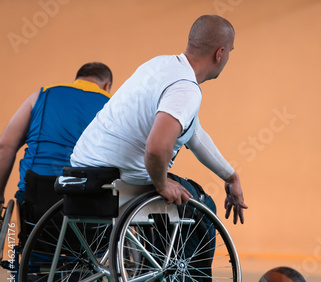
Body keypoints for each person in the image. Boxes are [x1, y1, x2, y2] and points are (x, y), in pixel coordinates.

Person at [71, 15, 247, 224]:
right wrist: (162, 184)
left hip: (82, 169)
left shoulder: (159, 66)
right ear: (220, 53)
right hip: (117, 179)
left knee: (168, 188)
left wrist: (230, 176)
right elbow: (156, 148)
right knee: (201, 205)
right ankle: (174, 258)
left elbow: (195, 135)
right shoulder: (185, 88)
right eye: (230, 51)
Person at [0, 62, 113, 233]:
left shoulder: (43, 94)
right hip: (90, 201)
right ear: (107, 86)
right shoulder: (112, 105)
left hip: (36, 197)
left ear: (77, 80)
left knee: (36, 249)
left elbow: (5, 146)